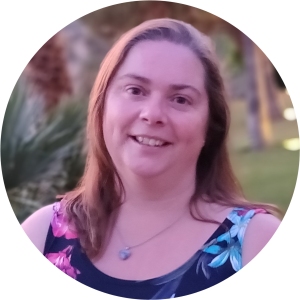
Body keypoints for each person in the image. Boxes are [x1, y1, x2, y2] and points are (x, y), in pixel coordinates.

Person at [21, 18, 281, 299]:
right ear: (102, 107)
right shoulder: (41, 236)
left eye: (180, 99)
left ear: (211, 125)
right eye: (135, 90)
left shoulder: (258, 245)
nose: (152, 113)